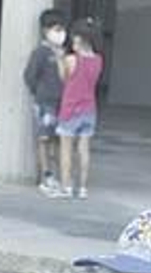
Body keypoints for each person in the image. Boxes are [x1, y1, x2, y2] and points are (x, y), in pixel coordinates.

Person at [52, 17, 103, 200]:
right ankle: (82, 188)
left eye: (74, 39)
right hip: (89, 109)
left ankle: (65, 186)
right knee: (84, 149)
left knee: (66, 149)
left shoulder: (71, 60)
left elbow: (64, 79)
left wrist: (59, 59)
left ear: (80, 39)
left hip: (70, 109)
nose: (72, 42)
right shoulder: (98, 60)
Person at [23, 9, 68, 194]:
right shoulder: (41, 53)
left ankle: (58, 174)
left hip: (63, 103)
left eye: (62, 29)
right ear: (45, 30)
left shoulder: (64, 53)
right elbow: (29, 76)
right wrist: (39, 92)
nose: (60, 33)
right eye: (56, 29)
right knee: (44, 139)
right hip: (45, 103)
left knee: (58, 140)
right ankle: (46, 176)